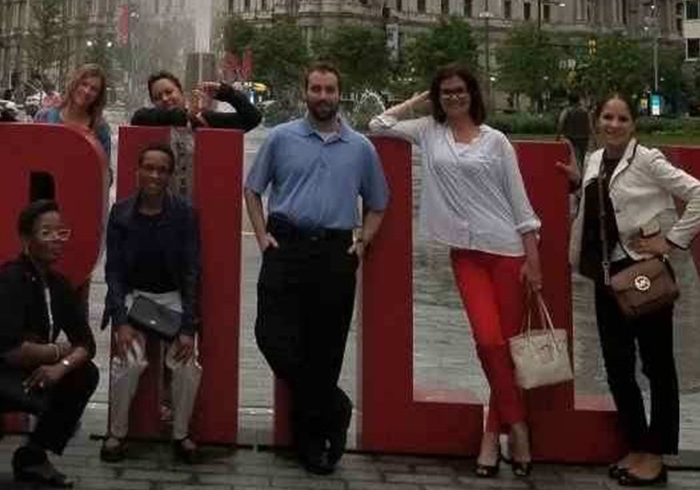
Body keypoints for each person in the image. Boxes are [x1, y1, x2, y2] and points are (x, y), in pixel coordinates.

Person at [370, 65, 542, 477]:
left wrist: (533, 260)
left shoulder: (497, 142)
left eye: (459, 91)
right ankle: (517, 427)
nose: (452, 98)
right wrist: (417, 101)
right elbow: (378, 124)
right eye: (445, 92)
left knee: (504, 347)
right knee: (487, 342)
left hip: (507, 252)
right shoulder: (429, 132)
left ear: (473, 94)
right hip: (465, 255)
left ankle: (490, 439)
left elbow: (519, 202)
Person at [557, 94, 700, 487]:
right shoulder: (595, 160)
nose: (613, 124)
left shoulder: (648, 160)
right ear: (597, 122)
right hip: (606, 275)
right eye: (607, 117)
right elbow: (600, 209)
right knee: (616, 364)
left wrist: (672, 241)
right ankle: (635, 443)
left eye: (622, 118)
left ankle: (656, 454)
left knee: (656, 364)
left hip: (641, 271)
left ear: (634, 124)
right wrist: (580, 183)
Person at [245, 63, 388, 475]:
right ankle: (336, 406)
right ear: (305, 92)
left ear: (339, 94)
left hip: (333, 253)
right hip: (285, 246)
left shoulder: (361, 147)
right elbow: (252, 190)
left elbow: (379, 202)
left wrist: (362, 242)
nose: (322, 96)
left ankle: (310, 442)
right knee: (269, 335)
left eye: (329, 90)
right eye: (316, 89)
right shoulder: (281, 137)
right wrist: (260, 235)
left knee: (326, 350)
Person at [0, 199, 98, 490]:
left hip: (21, 377)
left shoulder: (60, 285)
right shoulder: (10, 280)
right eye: (46, 233)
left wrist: (60, 368)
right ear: (26, 239)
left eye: (60, 233)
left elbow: (86, 343)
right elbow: (10, 351)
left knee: (85, 374)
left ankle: (32, 458)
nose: (56, 240)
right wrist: (58, 352)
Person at [101, 143, 202, 464]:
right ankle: (116, 434)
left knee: (187, 365)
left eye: (162, 170)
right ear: (137, 170)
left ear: (170, 176)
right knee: (128, 362)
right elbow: (113, 271)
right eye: (149, 168)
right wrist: (121, 321)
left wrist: (188, 327)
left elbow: (190, 272)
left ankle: (181, 434)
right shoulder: (121, 213)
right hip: (134, 296)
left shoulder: (184, 214)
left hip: (171, 296)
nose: (155, 175)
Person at [34, 65, 112, 186]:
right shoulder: (44, 117)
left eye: (94, 89)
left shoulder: (100, 129)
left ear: (98, 96)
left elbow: (107, 178)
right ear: (74, 83)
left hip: (79, 195)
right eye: (84, 84)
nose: (87, 91)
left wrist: (92, 153)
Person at [130, 72, 262, 132]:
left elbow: (252, 118)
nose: (165, 99)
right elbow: (137, 117)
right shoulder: (147, 120)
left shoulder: (206, 119)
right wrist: (187, 116)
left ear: (181, 92)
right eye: (158, 97)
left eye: (169, 92)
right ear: (153, 102)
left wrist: (227, 93)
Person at [556, 92, 592, 174]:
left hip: (571, 139)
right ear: (579, 100)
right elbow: (590, 126)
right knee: (582, 159)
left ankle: (574, 176)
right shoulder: (585, 111)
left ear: (569, 101)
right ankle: (581, 175)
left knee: (571, 158)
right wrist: (594, 140)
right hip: (583, 138)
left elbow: (560, 123)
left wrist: (557, 137)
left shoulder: (566, 111)